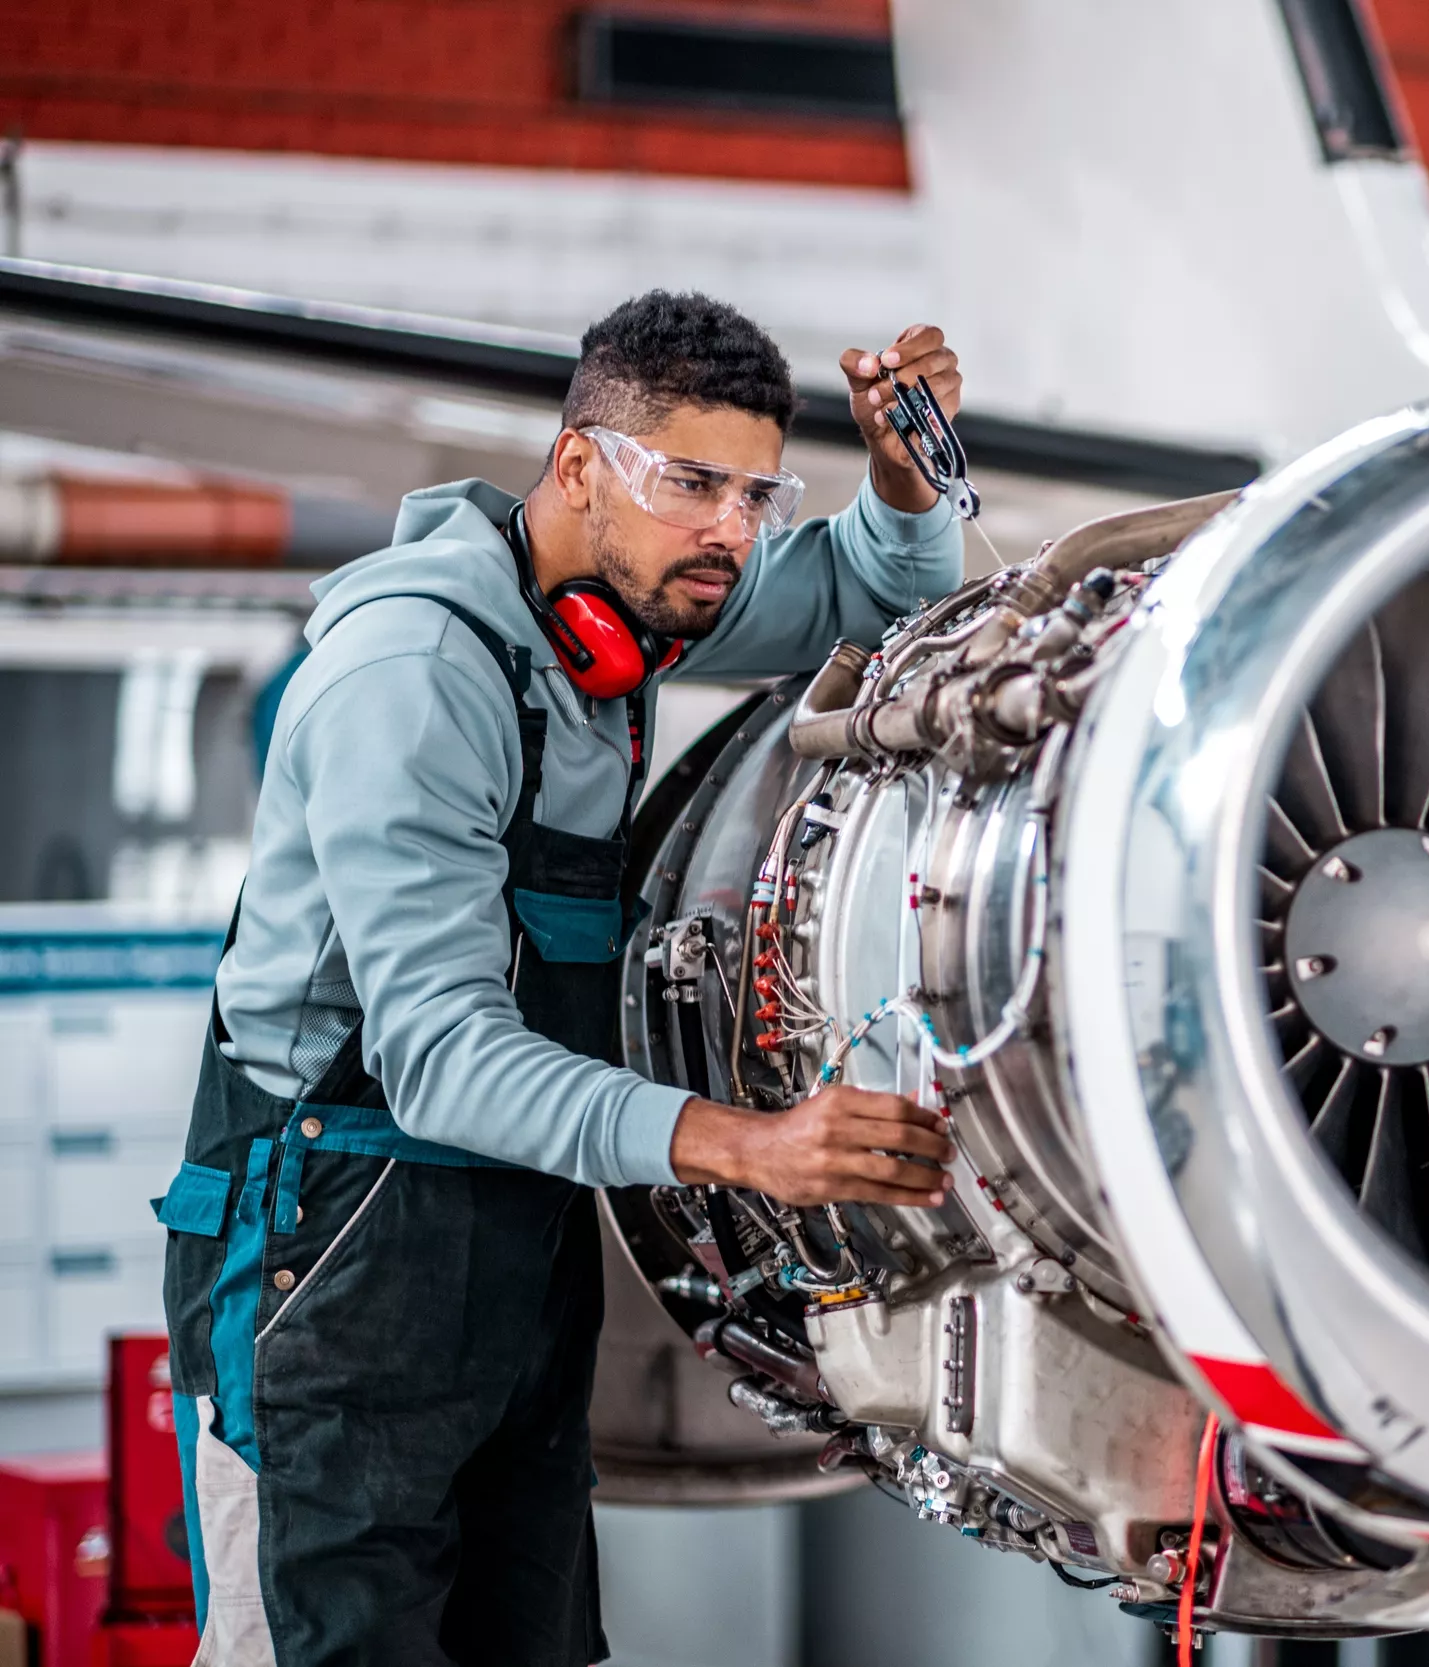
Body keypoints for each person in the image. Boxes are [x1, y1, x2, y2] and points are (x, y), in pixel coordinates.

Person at [156, 291, 966, 1665]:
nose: (732, 528)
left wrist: (900, 488)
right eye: (694, 482)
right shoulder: (418, 670)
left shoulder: (620, 613)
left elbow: (886, 592)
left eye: (756, 491)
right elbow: (444, 1058)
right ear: (583, 465)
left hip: (508, 1251)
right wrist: (749, 1146)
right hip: (329, 1249)